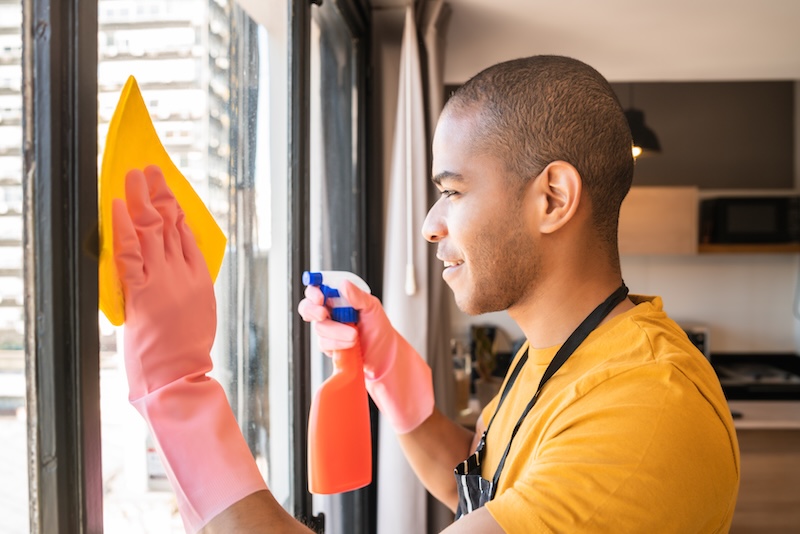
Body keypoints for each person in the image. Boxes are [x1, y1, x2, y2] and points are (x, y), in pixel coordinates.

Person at [113, 55, 739, 533]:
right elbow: (488, 482)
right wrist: (391, 379)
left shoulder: (646, 414)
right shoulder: (557, 355)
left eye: (454, 191)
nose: (429, 223)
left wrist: (179, 394)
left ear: (553, 199)